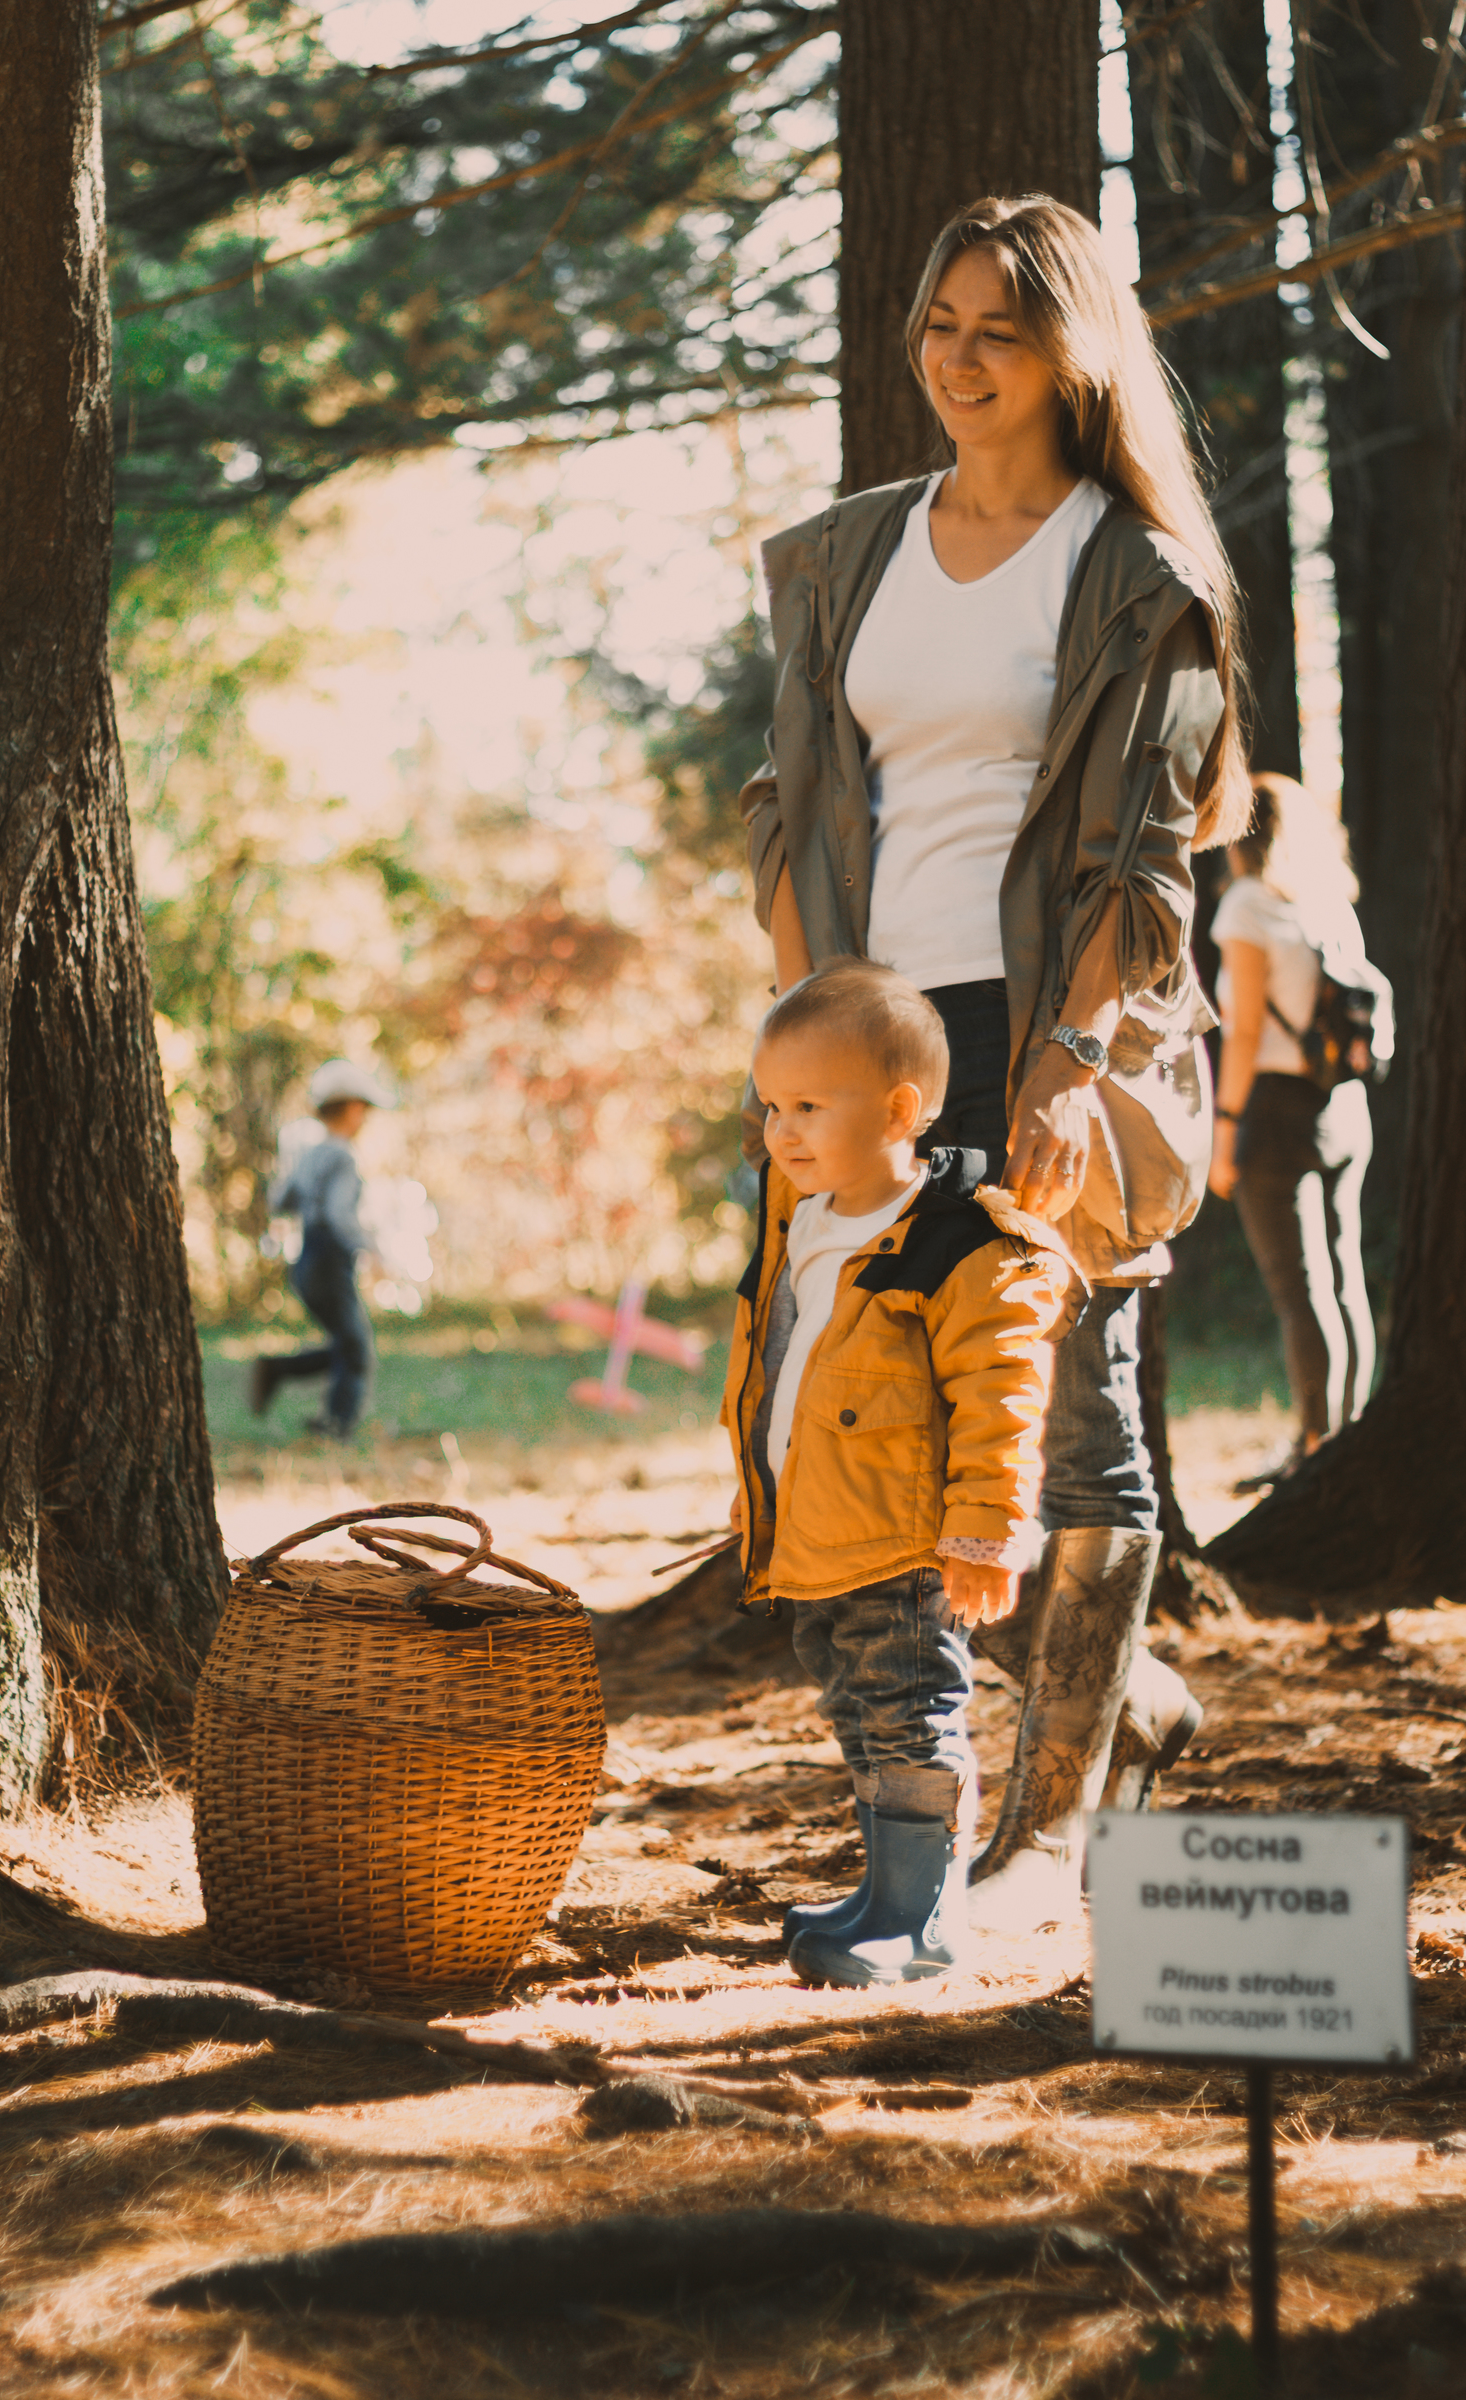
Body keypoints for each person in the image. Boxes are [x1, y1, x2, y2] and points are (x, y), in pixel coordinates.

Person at [738, 194, 1252, 1934]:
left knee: (1072, 1407)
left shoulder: (1134, 572)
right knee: (891, 1417)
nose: (958, 360)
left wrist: (1068, 1060)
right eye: (939, 323)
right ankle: (961, 1812)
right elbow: (802, 788)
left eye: (999, 331)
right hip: (879, 1029)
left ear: (1068, 352)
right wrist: (804, 996)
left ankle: (1053, 1826)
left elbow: (1147, 858)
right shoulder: (854, 552)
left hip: (1047, 1034)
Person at [724, 959, 1084, 1987]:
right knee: (859, 1711)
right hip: (821, 1534)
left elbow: (1001, 1397)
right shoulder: (801, 1220)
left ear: (898, 1109)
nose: (781, 1130)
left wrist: (982, 1533)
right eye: (771, 1106)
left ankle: (923, 1924)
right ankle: (885, 1893)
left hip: (907, 1543)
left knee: (912, 1715)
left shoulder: (963, 1242)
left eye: (807, 1105)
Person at [1207, 773, 1384, 1480]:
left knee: (1297, 1289)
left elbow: (1244, 1031)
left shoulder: (1248, 907)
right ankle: (1342, 1441)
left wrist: (1223, 1136)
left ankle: (1315, 1455)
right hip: (1344, 1110)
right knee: (1344, 1284)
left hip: (1277, 1115)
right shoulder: (1328, 903)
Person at [249, 1058, 392, 1439]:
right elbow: (338, 1213)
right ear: (349, 1108)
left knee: (347, 1344)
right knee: (356, 1347)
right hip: (330, 1258)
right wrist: (371, 1249)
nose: (365, 1118)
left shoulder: (309, 1155)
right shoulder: (343, 1156)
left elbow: (281, 1201)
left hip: (306, 1261)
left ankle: (277, 1371)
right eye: (363, 1109)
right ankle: (336, 1424)